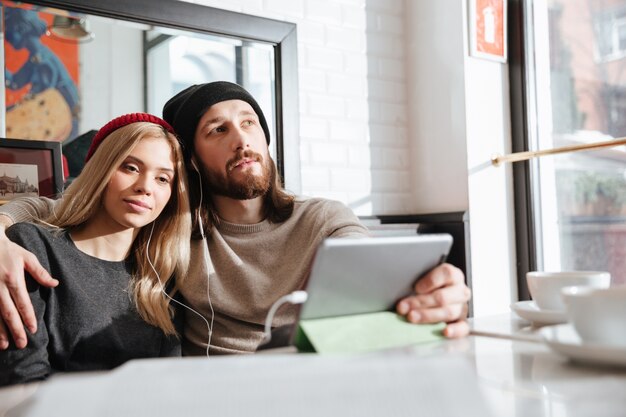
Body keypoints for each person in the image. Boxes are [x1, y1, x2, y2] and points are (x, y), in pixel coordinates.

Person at [0, 82, 471, 356]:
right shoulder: (170, 227)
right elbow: (53, 210)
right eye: (217, 130)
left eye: (249, 123)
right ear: (193, 162)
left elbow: (374, 269)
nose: (241, 139)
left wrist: (429, 293)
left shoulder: (323, 218)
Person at [0, 113, 191, 385]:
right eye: (131, 167)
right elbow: (23, 379)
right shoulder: (32, 248)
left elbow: (168, 387)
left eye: (163, 179)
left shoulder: (161, 281)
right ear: (101, 168)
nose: (145, 187)